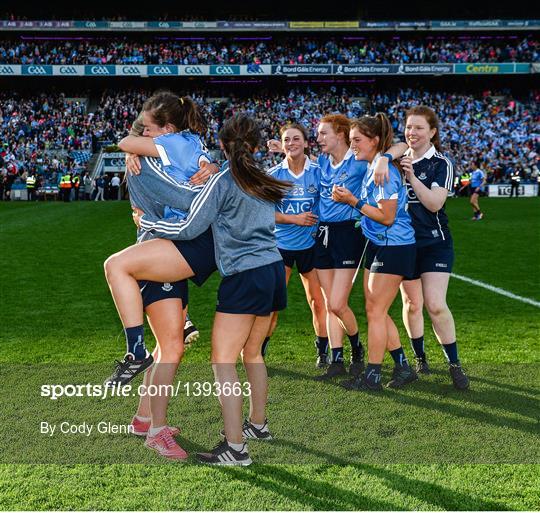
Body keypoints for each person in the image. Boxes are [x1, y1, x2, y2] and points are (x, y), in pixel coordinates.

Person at [105, 114, 289, 465]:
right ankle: (158, 420)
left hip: (240, 274)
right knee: (245, 354)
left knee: (216, 359)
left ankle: (234, 447)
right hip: (271, 270)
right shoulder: (261, 177)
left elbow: (190, 225)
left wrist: (148, 220)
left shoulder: (223, 178)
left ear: (222, 145)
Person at [104, 92, 218, 460]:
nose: (142, 135)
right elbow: (188, 190)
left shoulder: (174, 145)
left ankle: (143, 419)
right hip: (160, 248)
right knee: (170, 348)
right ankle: (154, 429)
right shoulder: (171, 150)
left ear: (167, 130)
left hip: (167, 246)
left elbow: (127, 141)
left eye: (148, 130)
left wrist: (133, 148)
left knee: (171, 347)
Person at [332, 113, 417, 391]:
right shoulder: (373, 165)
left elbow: (387, 217)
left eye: (357, 139)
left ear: (375, 141)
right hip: (380, 243)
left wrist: (352, 201)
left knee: (376, 312)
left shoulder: (385, 171)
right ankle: (402, 367)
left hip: (394, 244)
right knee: (375, 309)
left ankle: (373, 375)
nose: (352, 144)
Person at [396, 105, 469, 389]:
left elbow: (435, 203)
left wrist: (411, 176)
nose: (412, 133)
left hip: (435, 243)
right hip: (404, 243)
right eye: (409, 127)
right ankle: (419, 358)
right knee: (412, 304)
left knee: (436, 305)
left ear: (432, 132)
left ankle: (454, 364)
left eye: (418, 128)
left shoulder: (441, 163)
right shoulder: (396, 160)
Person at [265, 123, 328, 368]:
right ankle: (259, 351)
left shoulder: (317, 172)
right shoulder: (273, 175)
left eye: (296, 139)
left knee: (317, 301)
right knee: (273, 303)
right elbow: (263, 213)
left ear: (305, 142)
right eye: (287, 140)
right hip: (280, 247)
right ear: (281, 145)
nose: (292, 143)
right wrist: (294, 219)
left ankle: (323, 351)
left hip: (310, 246)